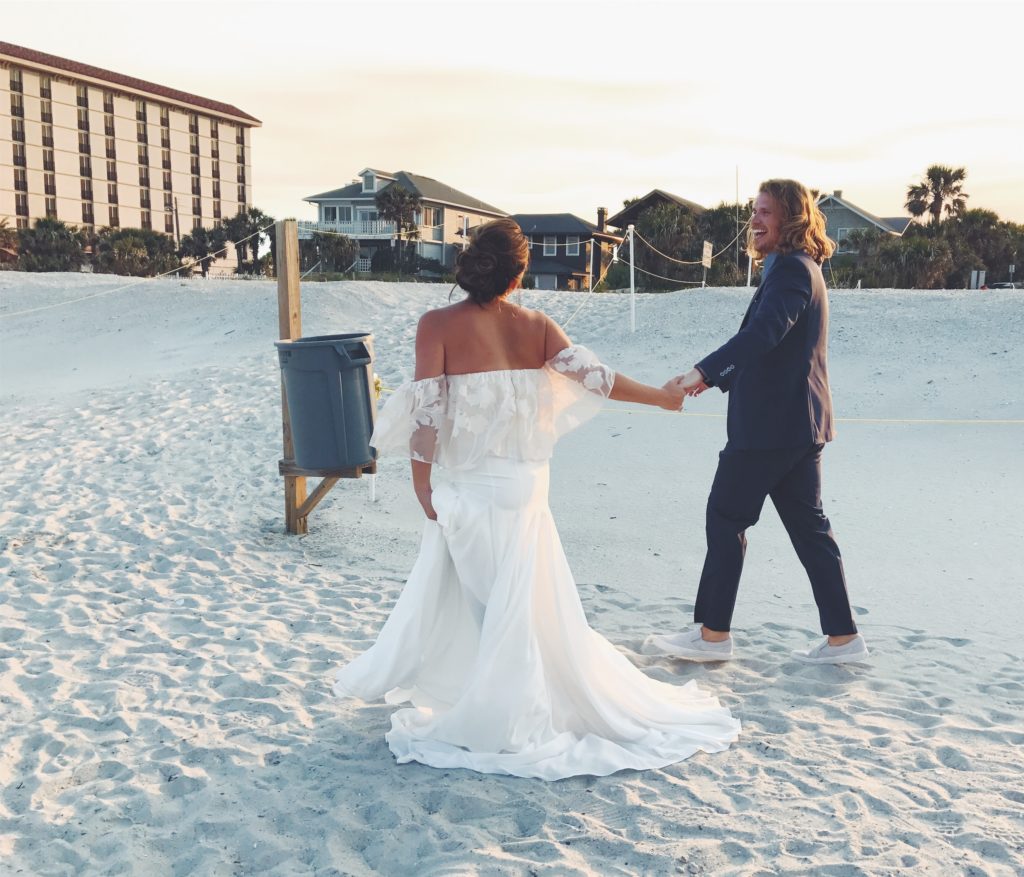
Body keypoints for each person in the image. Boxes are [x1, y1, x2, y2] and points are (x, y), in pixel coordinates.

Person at [334, 218, 740, 779]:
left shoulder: (437, 325)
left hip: (473, 486)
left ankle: (509, 709)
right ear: (520, 272)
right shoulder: (540, 325)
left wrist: (419, 480)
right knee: (518, 600)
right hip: (526, 485)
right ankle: (506, 691)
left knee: (492, 601)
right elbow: (596, 378)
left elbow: (427, 411)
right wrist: (662, 399)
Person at [649, 179, 868, 665]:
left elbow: (765, 333)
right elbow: (760, 338)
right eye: (755, 210)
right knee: (810, 531)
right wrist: (710, 378)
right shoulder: (794, 267)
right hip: (798, 426)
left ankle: (712, 637)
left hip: (771, 428)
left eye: (765, 212)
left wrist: (701, 373)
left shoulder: (791, 270)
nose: (755, 220)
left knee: (724, 519)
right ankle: (843, 640)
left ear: (791, 218)